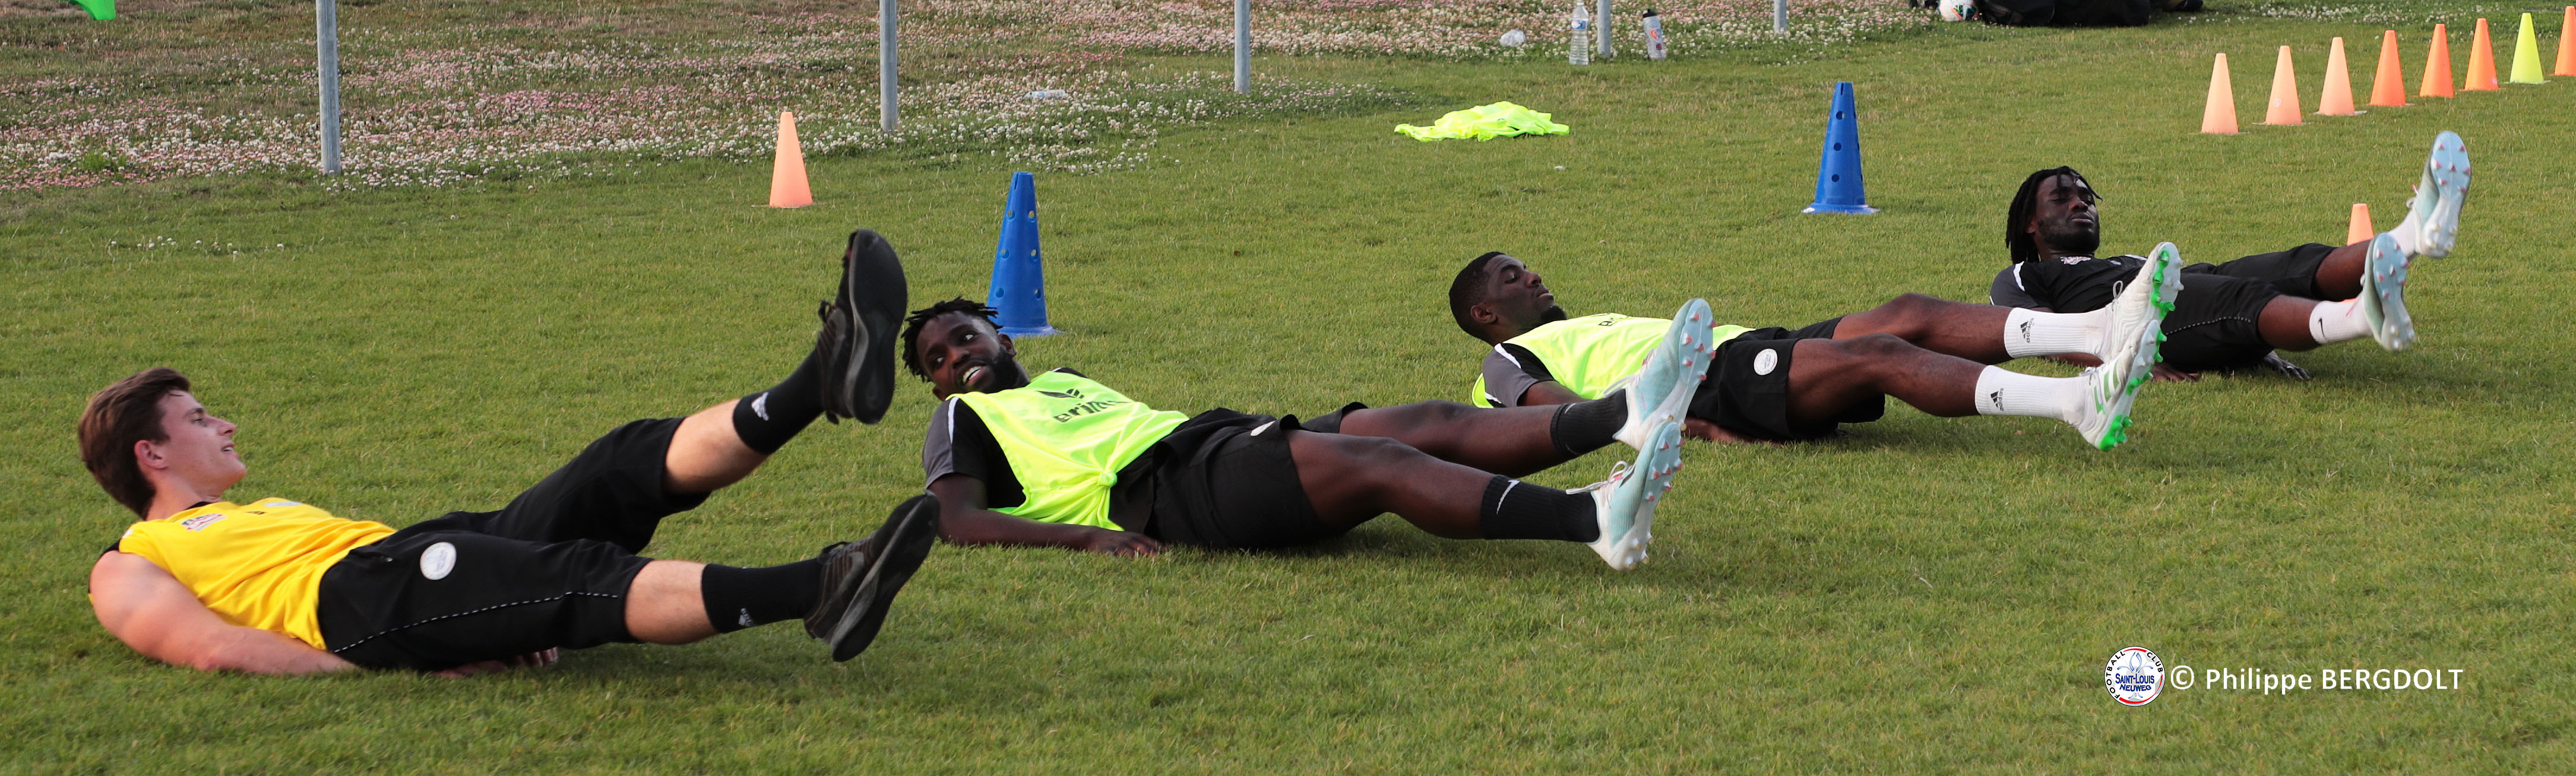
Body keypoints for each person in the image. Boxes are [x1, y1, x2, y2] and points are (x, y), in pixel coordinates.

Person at [81, 230, 934, 675]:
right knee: (574, 575)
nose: (226, 424)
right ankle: (821, 587)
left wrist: (480, 615)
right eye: (200, 418)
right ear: (152, 454)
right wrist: (389, 663)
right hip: (361, 600)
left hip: (403, 551)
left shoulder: (251, 513)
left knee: (616, 465)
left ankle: (817, 381)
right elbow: (208, 645)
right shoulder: (132, 558)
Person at [901, 297, 1710, 570]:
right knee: (1383, 459)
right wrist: (1087, 539)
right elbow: (953, 517)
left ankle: (1620, 415)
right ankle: (1590, 518)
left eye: (965, 337)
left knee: (1421, 419)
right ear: (935, 386)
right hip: (1167, 489)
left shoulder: (1062, 380)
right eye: (939, 359)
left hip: (1204, 441)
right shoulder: (960, 417)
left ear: (1002, 336)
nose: (956, 358)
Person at [1447, 246, 2177, 450]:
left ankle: (2098, 330)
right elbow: (1565, 415)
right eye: (1513, 276)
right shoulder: (1503, 361)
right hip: (1708, 380)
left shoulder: (1576, 324)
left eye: (1526, 266)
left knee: (1907, 312)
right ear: (1484, 313)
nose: (1532, 275)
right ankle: (2077, 402)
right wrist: (1684, 424)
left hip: (1746, 348)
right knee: (1880, 352)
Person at [1988, 132, 2471, 380]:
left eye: (2086, 197)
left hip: (2193, 283)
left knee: (2293, 266)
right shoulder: (2023, 275)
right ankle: (2361, 317)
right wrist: (2126, 362)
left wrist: (2262, 350)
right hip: (2144, 318)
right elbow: (2041, 336)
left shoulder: (2125, 257)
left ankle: (2413, 234)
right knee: (2240, 299)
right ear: (2030, 222)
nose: (2080, 204)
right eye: (2062, 198)